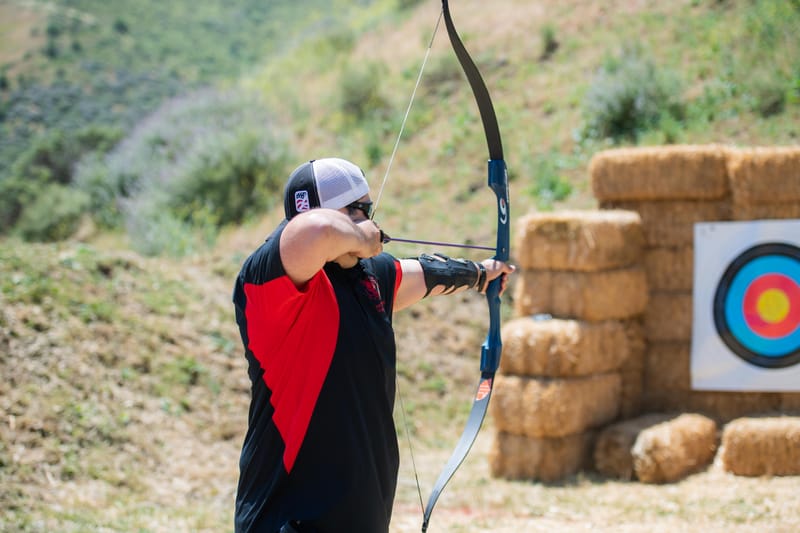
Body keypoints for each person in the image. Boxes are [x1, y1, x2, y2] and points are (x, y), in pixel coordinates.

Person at [232, 157, 514, 533]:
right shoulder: (268, 283)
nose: (370, 220)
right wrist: (362, 236)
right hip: (288, 521)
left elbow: (426, 274)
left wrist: (482, 274)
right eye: (359, 210)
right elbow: (314, 231)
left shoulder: (370, 277)